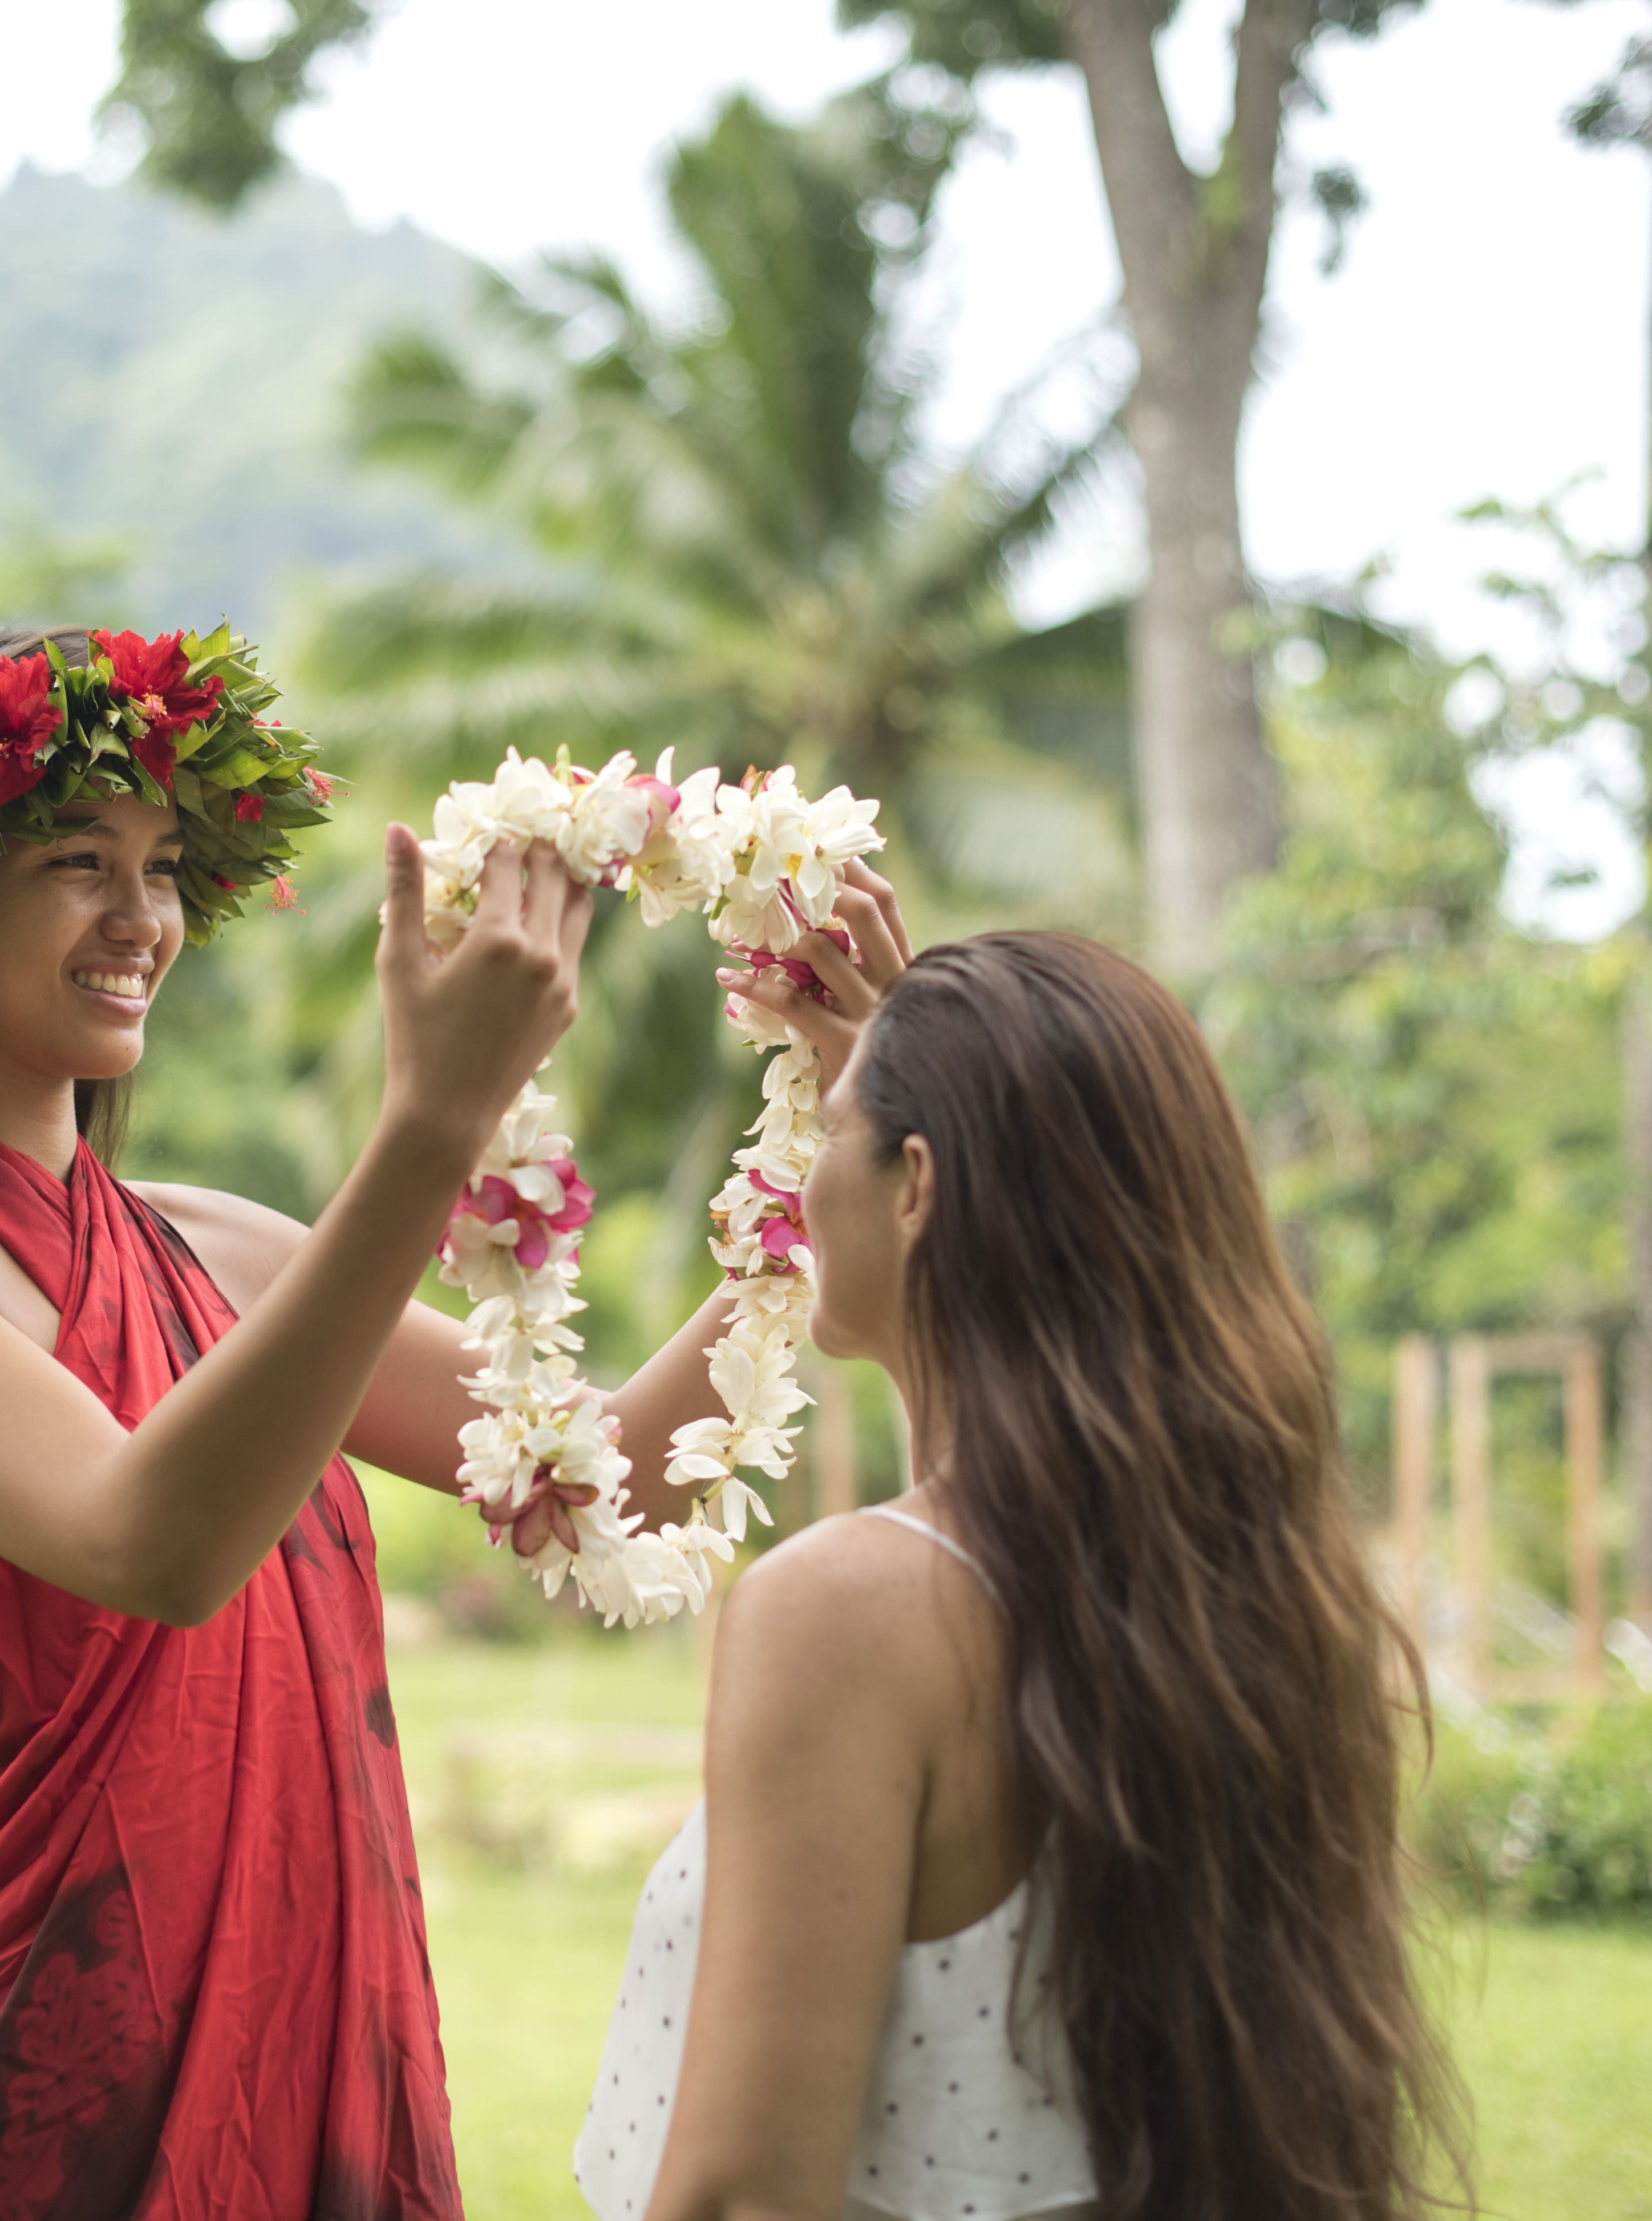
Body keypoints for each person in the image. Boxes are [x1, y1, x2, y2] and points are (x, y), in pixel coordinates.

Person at [0, 628, 880, 2221]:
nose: (142, 918)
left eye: (161, 867)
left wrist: (833, 1114)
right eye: (76, 861)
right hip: (39, 2097)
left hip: (314, 2047)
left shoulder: (219, 1248)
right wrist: (431, 1127)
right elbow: (154, 1543)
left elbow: (604, 1464)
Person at [578, 931, 1460, 2221]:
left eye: (828, 1130)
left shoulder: (848, 1613)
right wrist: (906, 1074)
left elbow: (743, 2197)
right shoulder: (1238, 1586)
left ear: (919, 1185)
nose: (802, 1181)